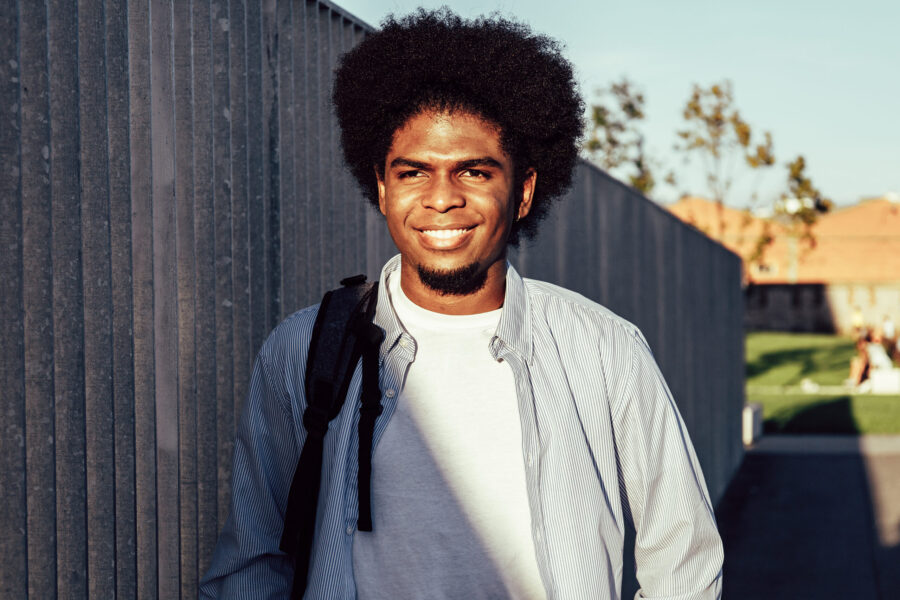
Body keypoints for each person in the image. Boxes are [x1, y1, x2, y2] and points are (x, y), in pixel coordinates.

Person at [200, 9, 723, 599]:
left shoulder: (603, 350)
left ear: (522, 191)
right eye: (413, 172)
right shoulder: (302, 350)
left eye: (473, 171)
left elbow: (683, 555)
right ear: (381, 186)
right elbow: (251, 559)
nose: (441, 199)